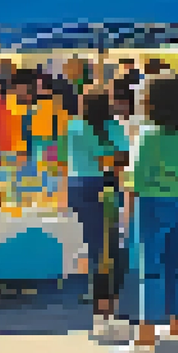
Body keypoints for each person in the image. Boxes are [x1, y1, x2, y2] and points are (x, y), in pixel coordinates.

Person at [118, 75, 178, 353]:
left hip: (152, 202)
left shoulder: (149, 133)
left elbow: (137, 177)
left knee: (149, 268)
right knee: (176, 264)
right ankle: (176, 324)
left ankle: (145, 337)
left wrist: (126, 209)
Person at [66, 90, 130, 338]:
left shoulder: (74, 126)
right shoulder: (112, 127)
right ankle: (104, 311)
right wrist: (111, 157)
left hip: (78, 186)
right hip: (103, 187)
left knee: (98, 248)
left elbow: (113, 158)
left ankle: (102, 309)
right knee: (108, 249)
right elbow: (121, 158)